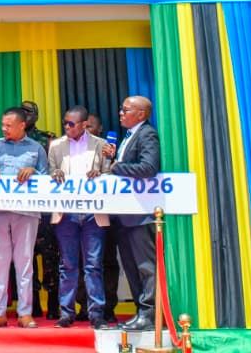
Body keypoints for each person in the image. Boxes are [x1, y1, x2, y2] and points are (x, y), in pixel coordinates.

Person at [0, 107, 48, 329]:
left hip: (26, 212)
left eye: (8, 125)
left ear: (22, 125)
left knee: (25, 263)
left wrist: (34, 173)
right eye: (3, 125)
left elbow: (47, 178)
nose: (4, 128)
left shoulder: (37, 148)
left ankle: (25, 313)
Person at [49, 106, 112, 329]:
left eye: (71, 124)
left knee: (93, 265)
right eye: (64, 122)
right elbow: (49, 172)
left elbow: (110, 175)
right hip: (66, 212)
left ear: (84, 125)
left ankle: (96, 314)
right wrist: (54, 173)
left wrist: (101, 175)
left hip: (93, 212)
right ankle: (66, 313)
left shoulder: (101, 145)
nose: (66, 127)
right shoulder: (56, 146)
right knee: (67, 265)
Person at [105, 96, 161, 332]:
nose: (120, 112)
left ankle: (150, 313)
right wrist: (113, 159)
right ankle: (141, 312)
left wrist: (117, 167)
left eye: (125, 109)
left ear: (141, 114)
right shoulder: (128, 136)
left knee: (145, 266)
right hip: (124, 214)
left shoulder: (147, 134)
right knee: (130, 266)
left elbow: (149, 168)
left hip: (140, 214)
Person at [21, 99, 60, 320]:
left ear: (36, 116)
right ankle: (33, 303)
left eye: (28, 113)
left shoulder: (48, 140)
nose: (25, 116)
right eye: (22, 112)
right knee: (25, 258)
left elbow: (54, 169)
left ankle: (53, 304)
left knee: (50, 257)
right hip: (22, 208)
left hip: (45, 208)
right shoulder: (11, 141)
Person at [81, 110, 120, 322]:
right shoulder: (73, 148)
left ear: (100, 129)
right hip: (80, 214)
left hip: (105, 214)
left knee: (107, 261)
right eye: (84, 126)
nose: (86, 130)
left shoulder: (109, 148)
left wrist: (109, 162)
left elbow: (116, 174)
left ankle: (108, 307)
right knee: (82, 262)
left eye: (90, 126)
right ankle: (83, 306)